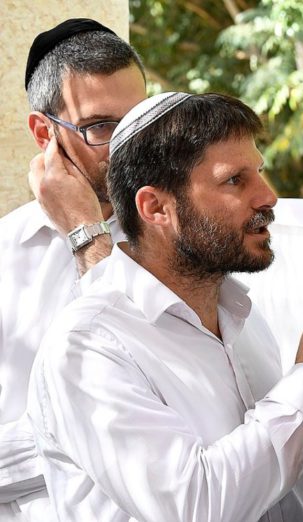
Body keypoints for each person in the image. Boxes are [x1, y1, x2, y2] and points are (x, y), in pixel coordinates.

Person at [26, 92, 303, 521]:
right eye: (235, 181)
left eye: (259, 173)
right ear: (156, 207)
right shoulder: (88, 347)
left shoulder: (241, 317)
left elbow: (277, 492)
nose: (269, 197)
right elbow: (196, 507)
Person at [0, 19, 147, 520]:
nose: (130, 146)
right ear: (44, 133)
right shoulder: (2, 258)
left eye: (139, 120)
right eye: (101, 127)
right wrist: (93, 449)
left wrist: (88, 231)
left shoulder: (184, 244)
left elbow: (170, 400)